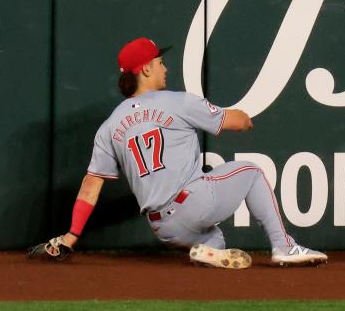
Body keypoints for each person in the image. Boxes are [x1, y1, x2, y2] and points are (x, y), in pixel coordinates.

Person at [32, 37, 328, 268]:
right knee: (251, 172)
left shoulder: (110, 126)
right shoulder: (177, 102)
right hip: (193, 202)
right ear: (145, 69)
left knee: (215, 240)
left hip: (164, 227)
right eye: (160, 62)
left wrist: (71, 236)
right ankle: (284, 247)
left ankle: (207, 252)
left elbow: (90, 186)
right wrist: (244, 117)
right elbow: (235, 122)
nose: (165, 68)